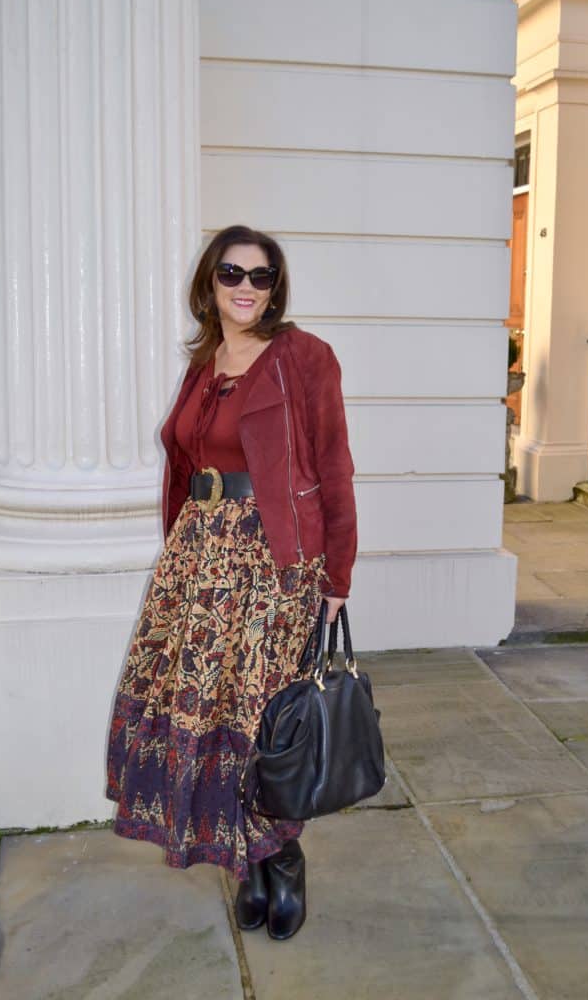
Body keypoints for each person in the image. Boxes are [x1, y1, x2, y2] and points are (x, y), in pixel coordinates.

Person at [105, 224, 357, 941]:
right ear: (208, 285)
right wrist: (178, 557)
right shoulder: (203, 362)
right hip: (198, 565)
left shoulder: (303, 358)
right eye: (231, 273)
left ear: (275, 288)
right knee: (211, 717)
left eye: (261, 275)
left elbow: (333, 466)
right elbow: (183, 468)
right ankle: (249, 861)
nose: (246, 287)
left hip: (272, 564)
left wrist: (336, 573)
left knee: (259, 722)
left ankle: (283, 859)